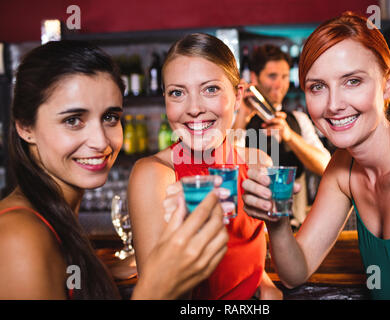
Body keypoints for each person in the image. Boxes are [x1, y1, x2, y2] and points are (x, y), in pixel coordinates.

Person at [242, 12, 390, 300]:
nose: (334, 105)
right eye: (317, 87)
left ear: (388, 83)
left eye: (352, 81)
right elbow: (295, 272)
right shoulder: (344, 165)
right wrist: (276, 220)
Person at [0, 40, 229, 299]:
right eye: (73, 120)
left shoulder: (53, 220)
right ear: (25, 127)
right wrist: (156, 287)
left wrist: (106, 271)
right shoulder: (19, 237)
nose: (100, 141)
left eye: (110, 117)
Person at [128, 33, 282, 300]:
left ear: (238, 95)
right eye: (177, 93)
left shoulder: (257, 162)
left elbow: (238, 257)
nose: (194, 108)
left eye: (210, 89)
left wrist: (264, 284)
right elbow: (160, 293)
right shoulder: (154, 175)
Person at [233, 44, 331, 223]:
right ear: (254, 78)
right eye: (272, 76)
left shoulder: (299, 119)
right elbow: (225, 162)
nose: (279, 84)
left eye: (284, 76)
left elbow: (326, 166)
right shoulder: (237, 121)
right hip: (252, 229)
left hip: (295, 228)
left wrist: (290, 136)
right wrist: (242, 116)